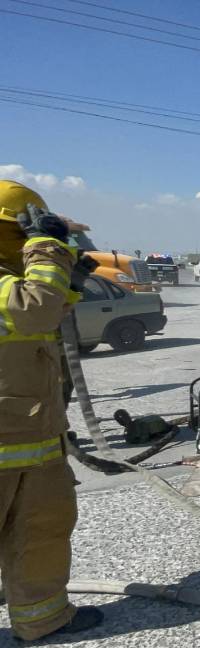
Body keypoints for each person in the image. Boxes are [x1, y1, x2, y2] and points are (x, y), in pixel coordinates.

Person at [0, 180, 103, 640]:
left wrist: (71, 284)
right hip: (10, 440)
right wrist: (46, 247)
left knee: (42, 531)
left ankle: (41, 620)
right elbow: (34, 311)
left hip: (35, 439)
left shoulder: (12, 282)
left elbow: (43, 310)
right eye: (24, 233)